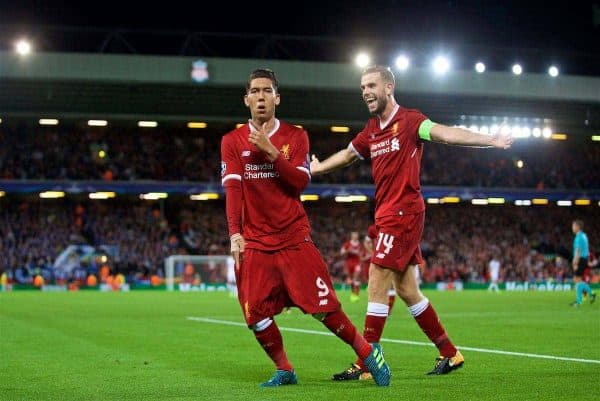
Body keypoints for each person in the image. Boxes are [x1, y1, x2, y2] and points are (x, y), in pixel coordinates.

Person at [310, 65, 513, 378]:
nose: (365, 91)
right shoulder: (371, 130)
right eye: (362, 87)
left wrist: (490, 140)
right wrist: (320, 167)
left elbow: (446, 133)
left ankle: (367, 360)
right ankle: (450, 353)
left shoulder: (410, 121)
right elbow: (349, 154)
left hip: (403, 212)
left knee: (377, 274)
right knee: (406, 289)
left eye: (371, 85)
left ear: (389, 87)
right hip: (387, 214)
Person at [220, 68, 390, 387]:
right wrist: (234, 233)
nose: (260, 96)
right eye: (255, 91)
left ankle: (368, 354)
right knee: (254, 315)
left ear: (277, 98)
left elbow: (299, 182)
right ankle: (284, 369)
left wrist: (271, 153)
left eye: (267, 91)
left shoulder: (296, 136)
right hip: (255, 243)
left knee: (323, 308)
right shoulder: (231, 141)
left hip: (293, 239)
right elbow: (233, 190)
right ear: (246, 99)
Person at [569, 219, 596, 306]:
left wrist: (575, 262)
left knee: (577, 280)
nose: (572, 228)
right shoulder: (584, 236)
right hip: (584, 259)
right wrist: (587, 261)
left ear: (577, 227)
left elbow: (578, 250)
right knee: (577, 280)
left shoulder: (578, 237)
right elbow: (587, 250)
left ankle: (584, 297)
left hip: (580, 259)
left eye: (573, 226)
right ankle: (587, 296)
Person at [341, 231, 363, 302]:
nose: (355, 237)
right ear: (352, 236)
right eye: (354, 235)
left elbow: (362, 254)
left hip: (357, 263)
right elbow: (342, 252)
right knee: (351, 280)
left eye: (356, 235)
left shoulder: (360, 245)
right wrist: (348, 250)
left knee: (355, 277)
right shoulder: (348, 244)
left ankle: (357, 295)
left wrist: (361, 256)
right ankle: (353, 294)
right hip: (349, 263)